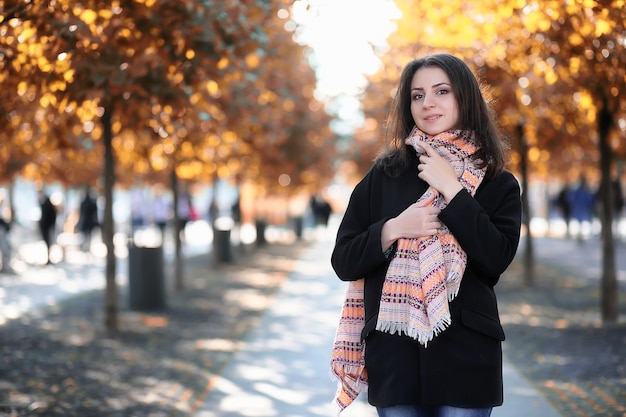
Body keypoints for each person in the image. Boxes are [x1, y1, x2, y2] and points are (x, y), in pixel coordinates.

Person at [330, 53, 522, 417]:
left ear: (464, 98)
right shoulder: (384, 175)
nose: (428, 103)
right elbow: (343, 260)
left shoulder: (498, 183)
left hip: (466, 358)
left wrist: (453, 191)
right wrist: (393, 229)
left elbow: (495, 259)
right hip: (395, 355)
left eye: (441, 91)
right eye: (417, 95)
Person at [567, 174, 595, 243]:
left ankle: (580, 237)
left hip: (580, 209)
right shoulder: (583, 191)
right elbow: (590, 200)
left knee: (581, 223)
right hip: (582, 209)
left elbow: (571, 199)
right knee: (581, 223)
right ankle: (580, 237)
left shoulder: (581, 191)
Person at [38, 189, 58, 264]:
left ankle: (49, 258)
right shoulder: (42, 202)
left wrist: (50, 225)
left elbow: (51, 215)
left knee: (49, 242)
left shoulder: (47, 202)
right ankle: (48, 258)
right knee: (47, 242)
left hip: (48, 226)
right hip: (45, 226)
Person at [77, 186, 99, 251]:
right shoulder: (91, 202)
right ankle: (87, 247)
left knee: (85, 236)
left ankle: (86, 247)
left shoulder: (84, 202)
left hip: (86, 222)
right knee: (88, 237)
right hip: (89, 222)